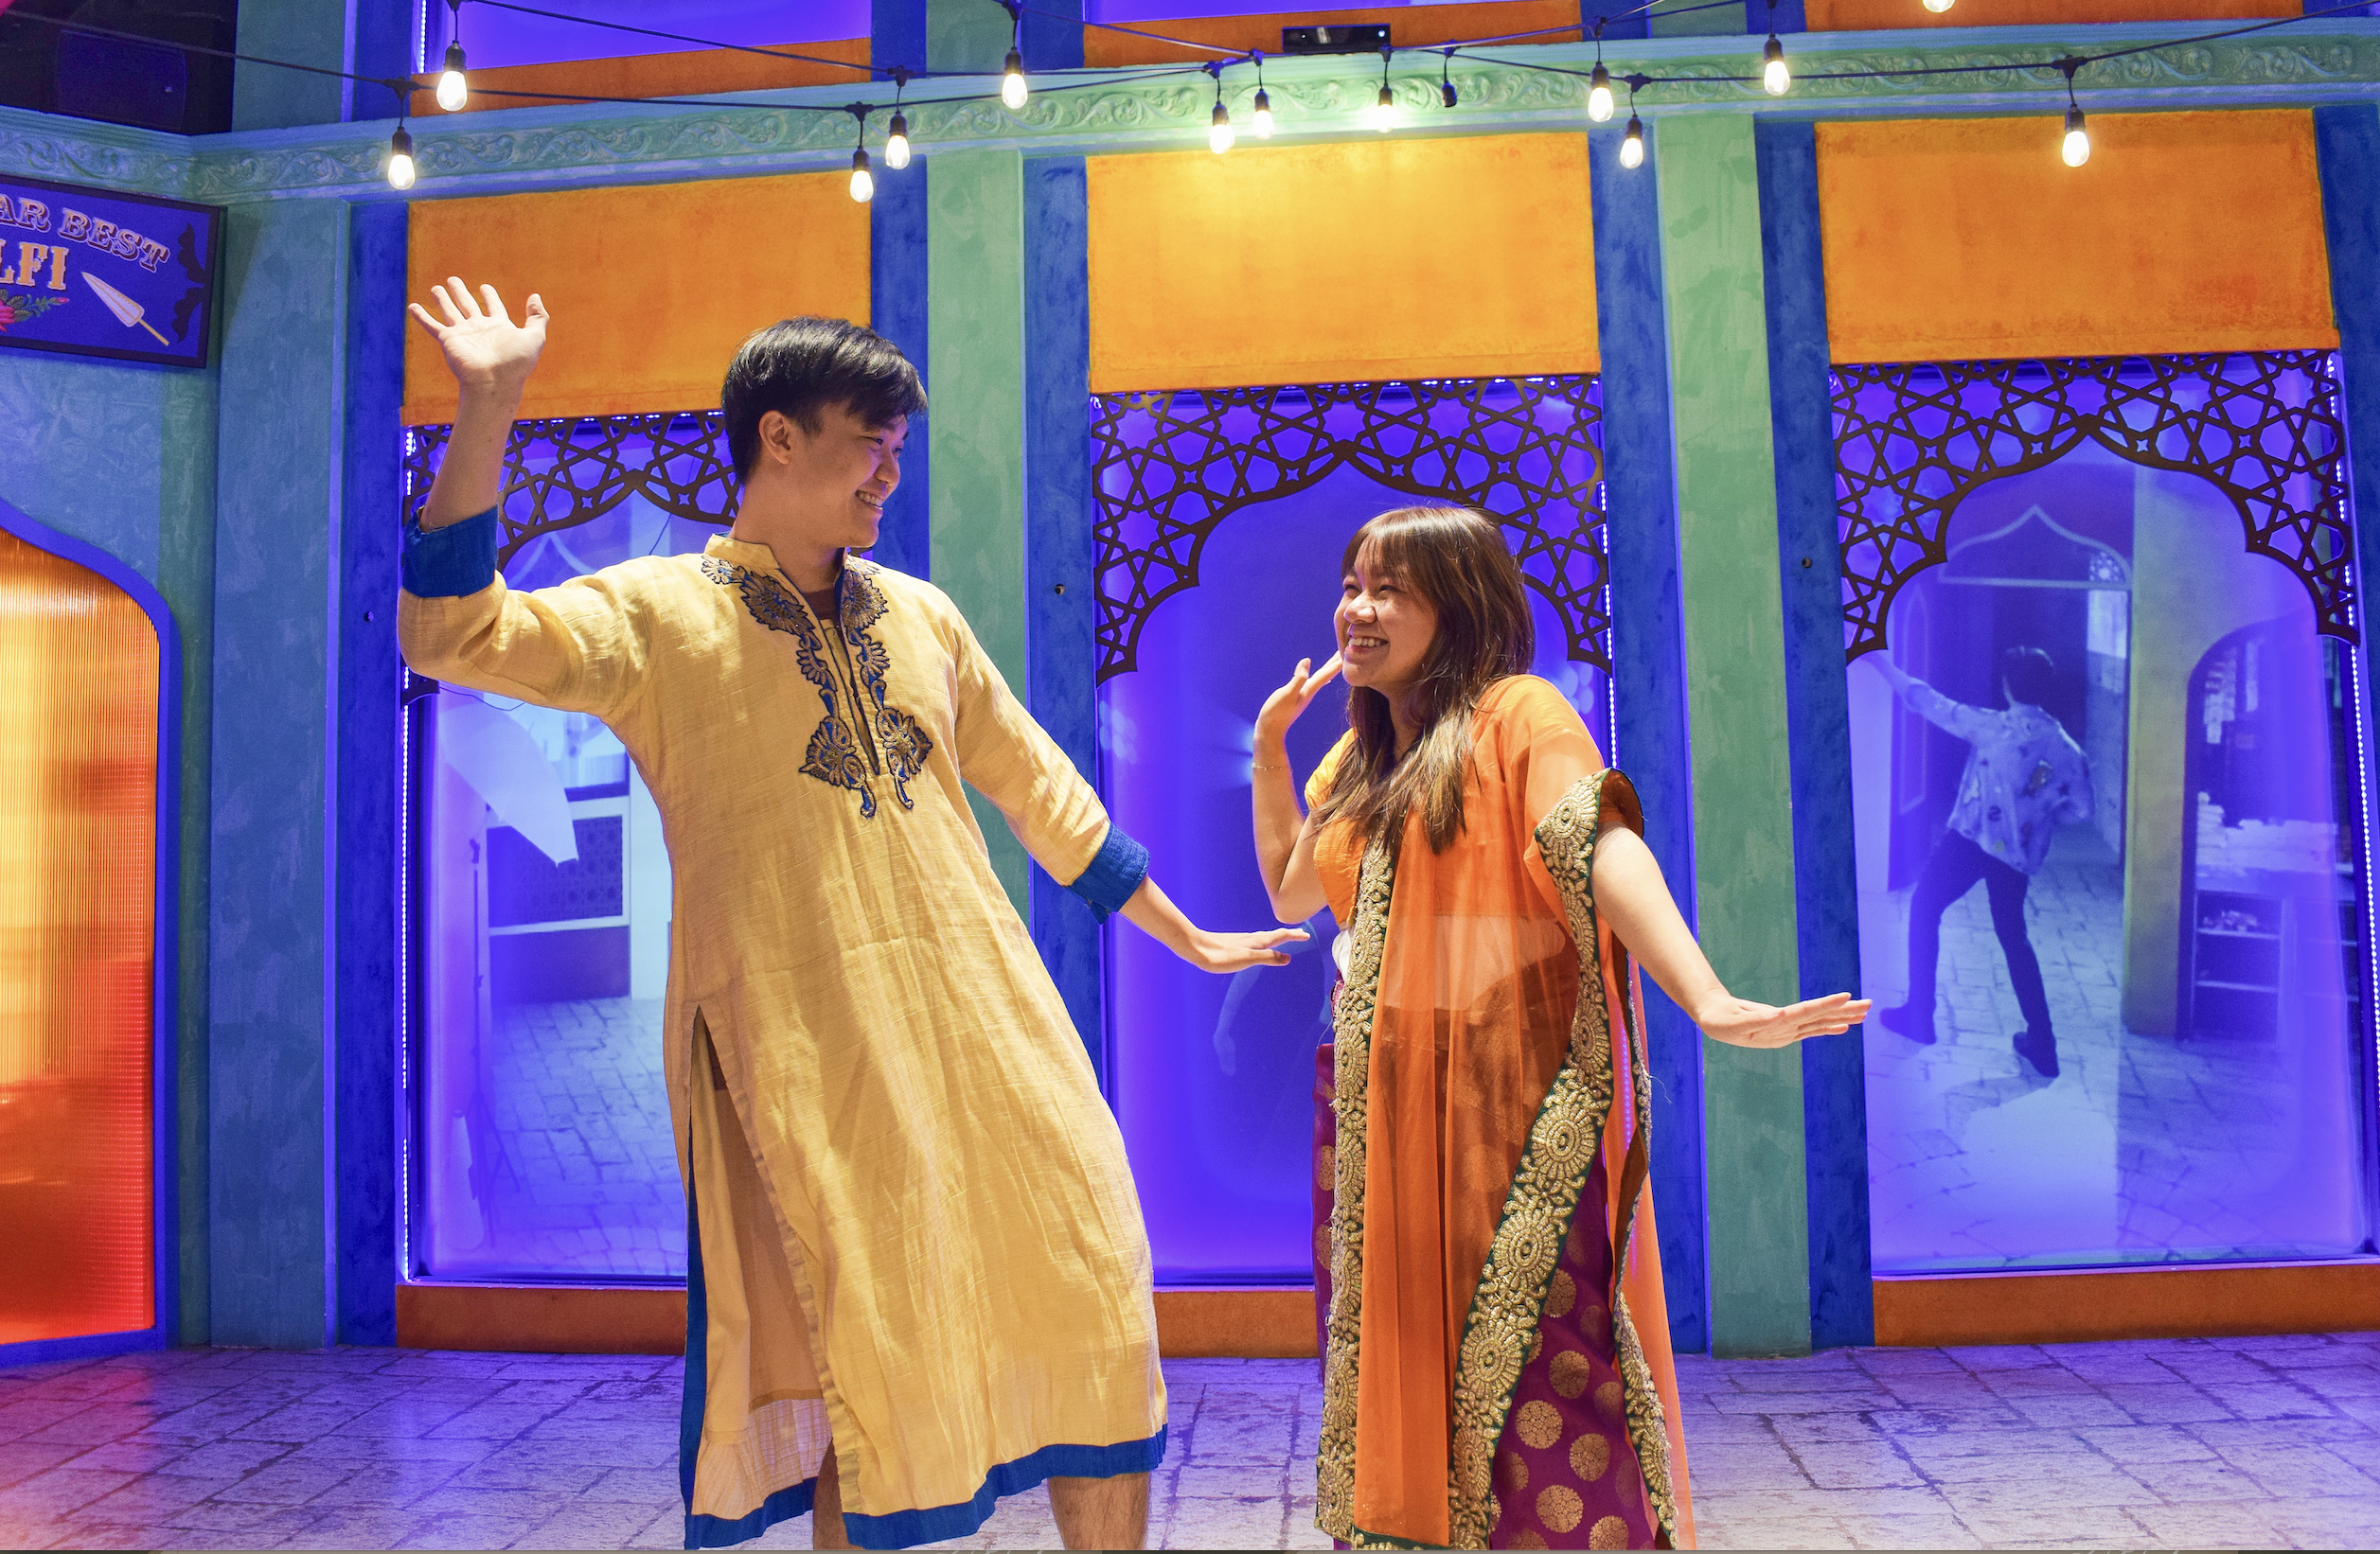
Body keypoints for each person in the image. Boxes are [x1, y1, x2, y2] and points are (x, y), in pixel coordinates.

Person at [398, 280, 1305, 1552]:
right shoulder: (654, 617)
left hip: (992, 1029)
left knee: (1093, 1291)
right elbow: (453, 633)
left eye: (898, 451)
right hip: (808, 1051)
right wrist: (486, 404)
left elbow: (1042, 787)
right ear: (778, 437)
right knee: (867, 1349)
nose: (889, 477)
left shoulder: (919, 613)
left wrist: (1189, 934)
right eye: (867, 445)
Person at [1252, 507, 1867, 1550]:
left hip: (1508, 1106)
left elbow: (1597, 846)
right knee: (1397, 1361)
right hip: (1377, 1110)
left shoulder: (1519, 715)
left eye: (1391, 588)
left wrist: (1706, 994)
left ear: (1463, 604)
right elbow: (1288, 889)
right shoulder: (1359, 763)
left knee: (1544, 1365)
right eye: (1354, 583)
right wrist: (1271, 747)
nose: (1359, 609)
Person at [1873, 646, 2091, 1079]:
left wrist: (1883, 665)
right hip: (2016, 856)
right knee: (2013, 938)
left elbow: (1926, 700)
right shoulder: (2067, 749)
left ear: (2008, 686)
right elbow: (2079, 809)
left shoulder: (1992, 727)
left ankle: (1920, 1015)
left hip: (1970, 841)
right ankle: (2043, 1045)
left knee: (1924, 909)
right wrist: (2038, 816)